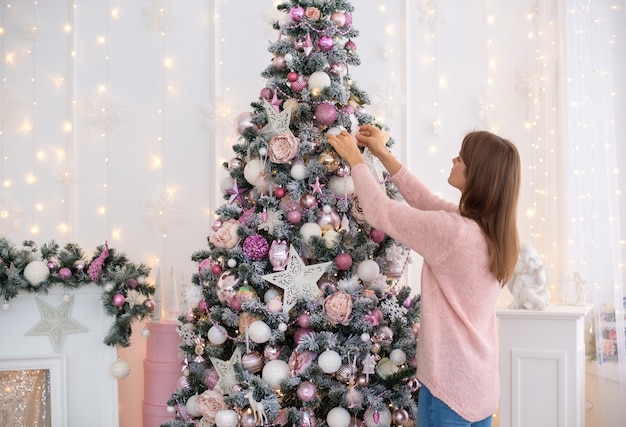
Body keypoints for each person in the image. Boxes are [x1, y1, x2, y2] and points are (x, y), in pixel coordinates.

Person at [327, 125, 521, 427]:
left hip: (449, 390)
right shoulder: (491, 231)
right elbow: (427, 201)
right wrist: (383, 154)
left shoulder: (453, 232)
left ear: (478, 175)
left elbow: (380, 211)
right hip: (481, 387)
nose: (454, 160)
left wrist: (355, 160)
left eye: (462, 158)